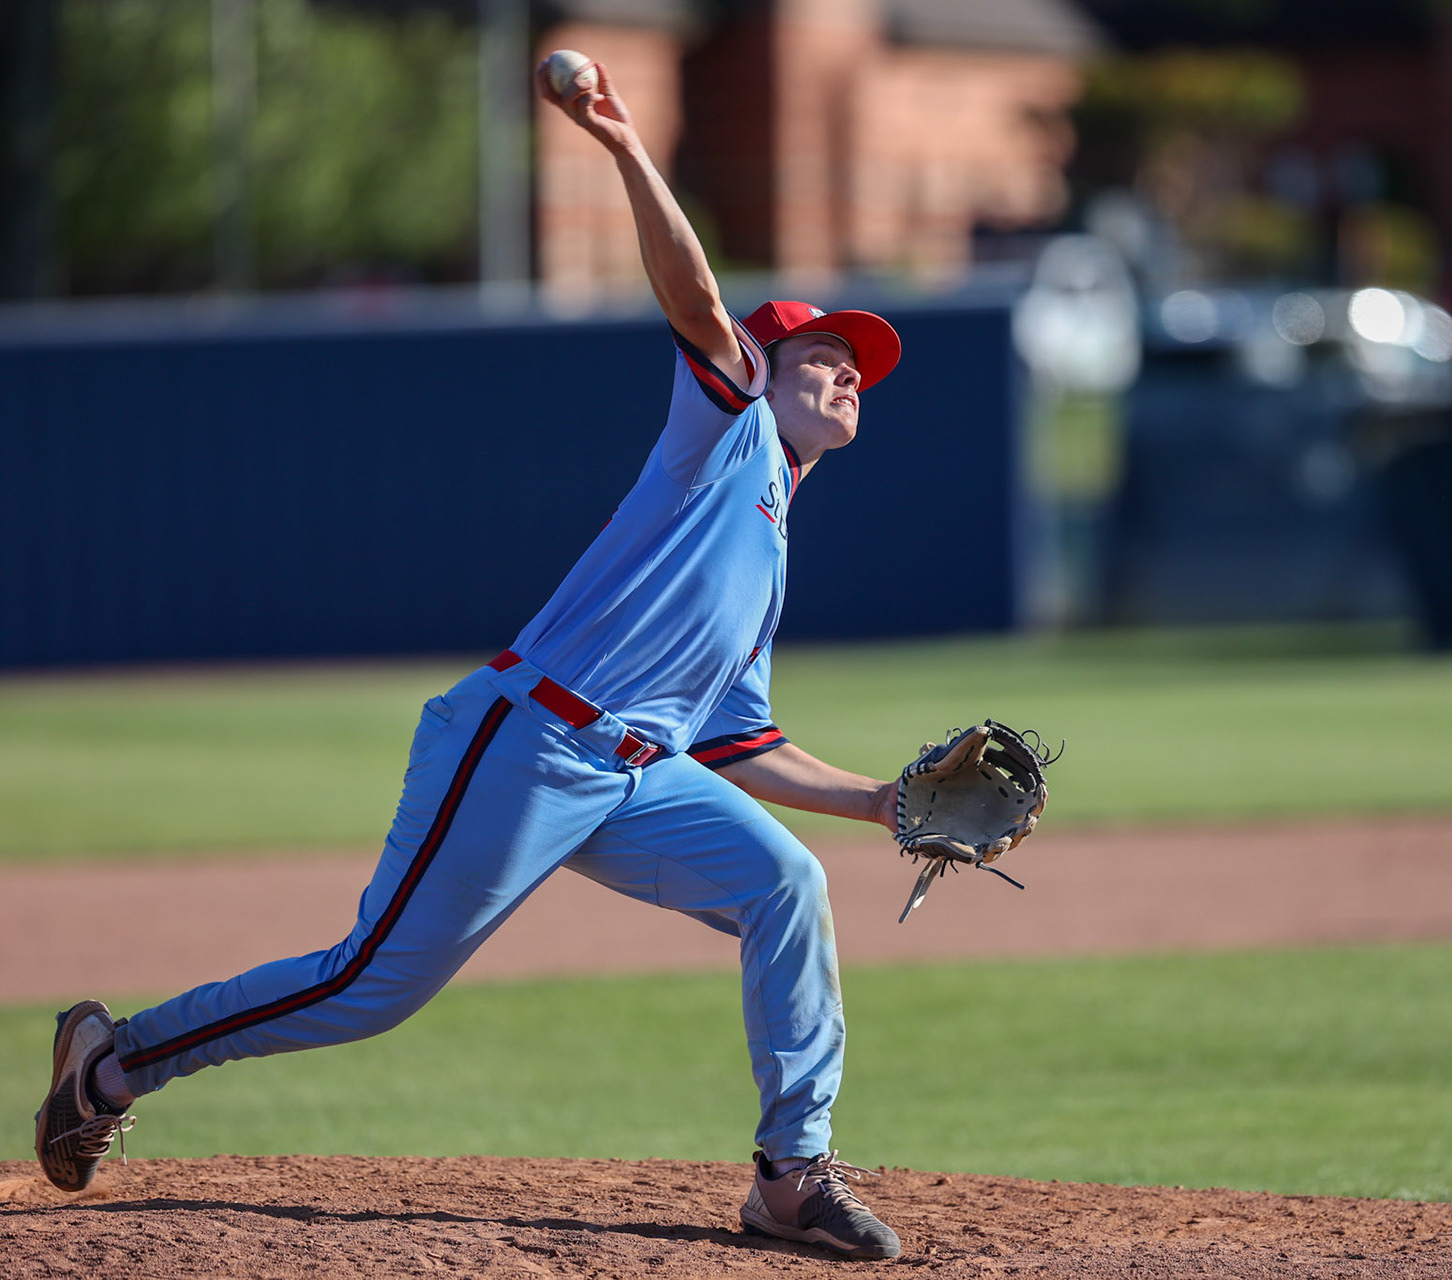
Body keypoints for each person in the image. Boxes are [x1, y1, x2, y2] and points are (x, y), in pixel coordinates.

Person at [34, 58, 907, 1262]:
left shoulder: (767, 546)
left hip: (640, 772)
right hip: (529, 739)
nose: (849, 370)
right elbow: (698, 298)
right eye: (825, 354)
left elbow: (740, 741)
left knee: (786, 884)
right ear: (762, 369)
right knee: (371, 986)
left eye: (859, 365)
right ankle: (114, 1059)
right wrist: (620, 145)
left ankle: (790, 1176)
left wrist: (882, 801)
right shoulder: (729, 431)